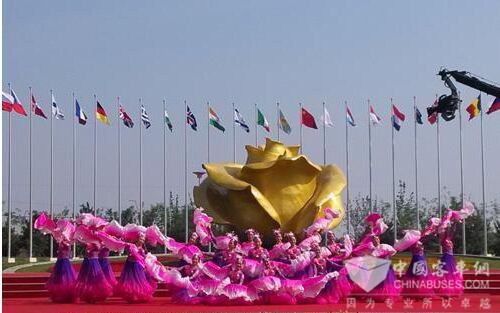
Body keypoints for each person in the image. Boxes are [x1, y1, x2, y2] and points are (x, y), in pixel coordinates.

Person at [35, 214, 78, 303]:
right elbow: (56, 235)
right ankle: (59, 295)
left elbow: (67, 247)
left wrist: (62, 241)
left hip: (65, 263)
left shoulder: (67, 243)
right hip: (60, 262)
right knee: (59, 279)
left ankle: (67, 295)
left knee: (65, 279)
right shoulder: (61, 241)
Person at [115, 224, 156, 303]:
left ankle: (140, 295)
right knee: (131, 281)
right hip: (131, 265)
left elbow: (144, 258)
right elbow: (128, 250)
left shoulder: (142, 249)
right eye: (141, 239)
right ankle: (132, 296)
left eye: (143, 239)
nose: (142, 240)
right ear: (137, 239)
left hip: (139, 266)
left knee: (139, 281)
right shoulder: (131, 246)